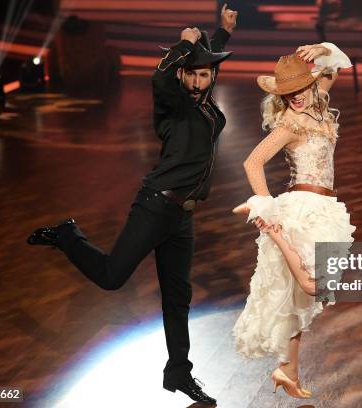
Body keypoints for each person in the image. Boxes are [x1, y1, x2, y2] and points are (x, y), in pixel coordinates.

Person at [27, 5, 238, 405]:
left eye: (203, 74)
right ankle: (68, 236)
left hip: (183, 218)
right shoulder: (171, 105)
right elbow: (162, 76)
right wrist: (184, 44)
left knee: (178, 298)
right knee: (111, 276)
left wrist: (222, 35)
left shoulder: (207, 103)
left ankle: (179, 373)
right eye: (190, 74)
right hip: (155, 207)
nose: (197, 82)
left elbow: (206, 67)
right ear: (179, 74)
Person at [232, 43, 355, 399]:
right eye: (288, 93)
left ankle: (289, 371)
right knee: (314, 285)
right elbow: (252, 163)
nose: (296, 98)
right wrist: (267, 209)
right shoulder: (292, 122)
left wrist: (322, 48)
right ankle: (274, 233)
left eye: (300, 89)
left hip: (325, 207)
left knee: (297, 298)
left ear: (311, 85)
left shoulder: (317, 98)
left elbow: (339, 64)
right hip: (302, 207)